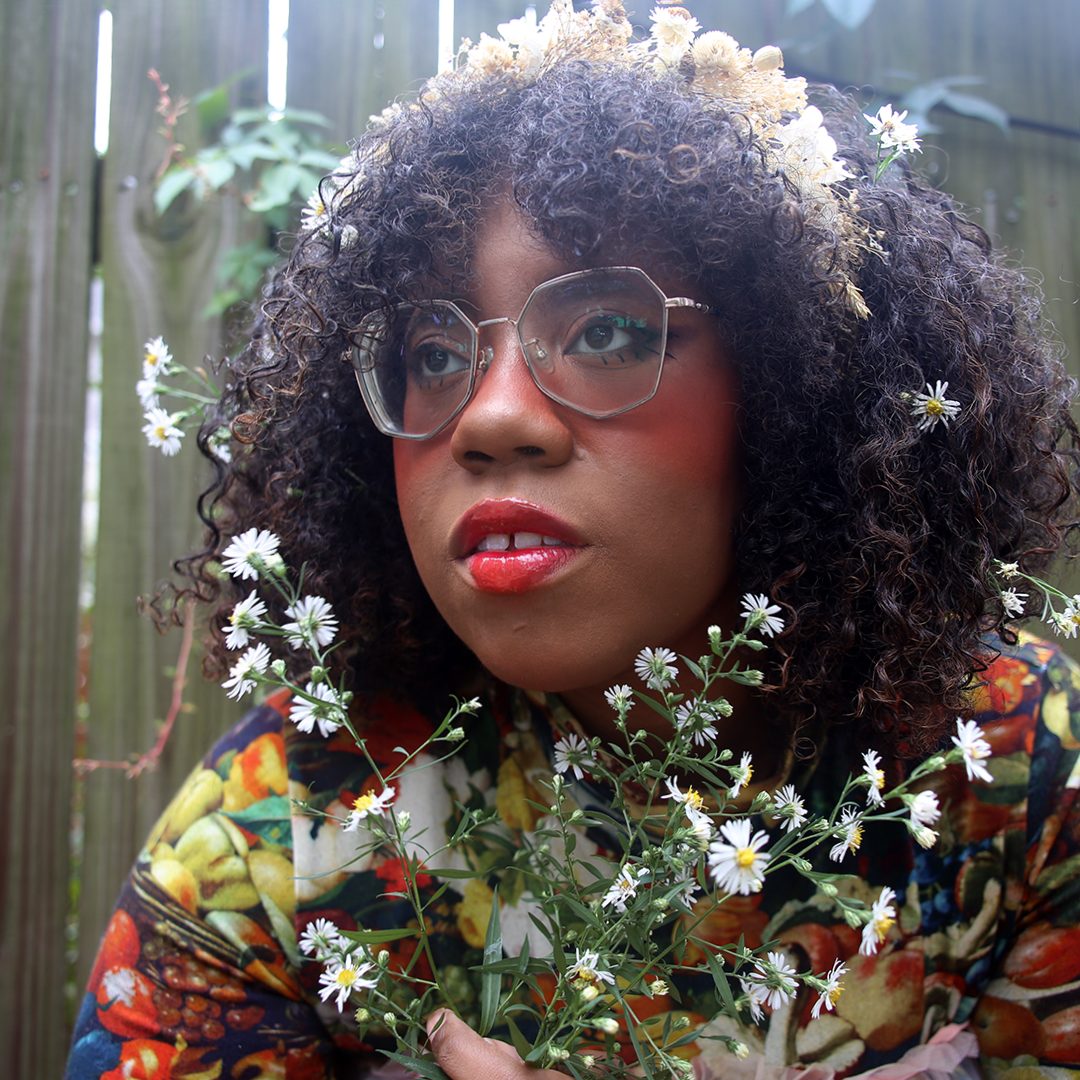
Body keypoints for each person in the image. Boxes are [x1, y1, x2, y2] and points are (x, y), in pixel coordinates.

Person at [66, 3, 1080, 1078]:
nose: (492, 418)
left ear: (795, 394)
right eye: (433, 352)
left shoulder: (1022, 778)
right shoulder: (268, 843)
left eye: (609, 330)